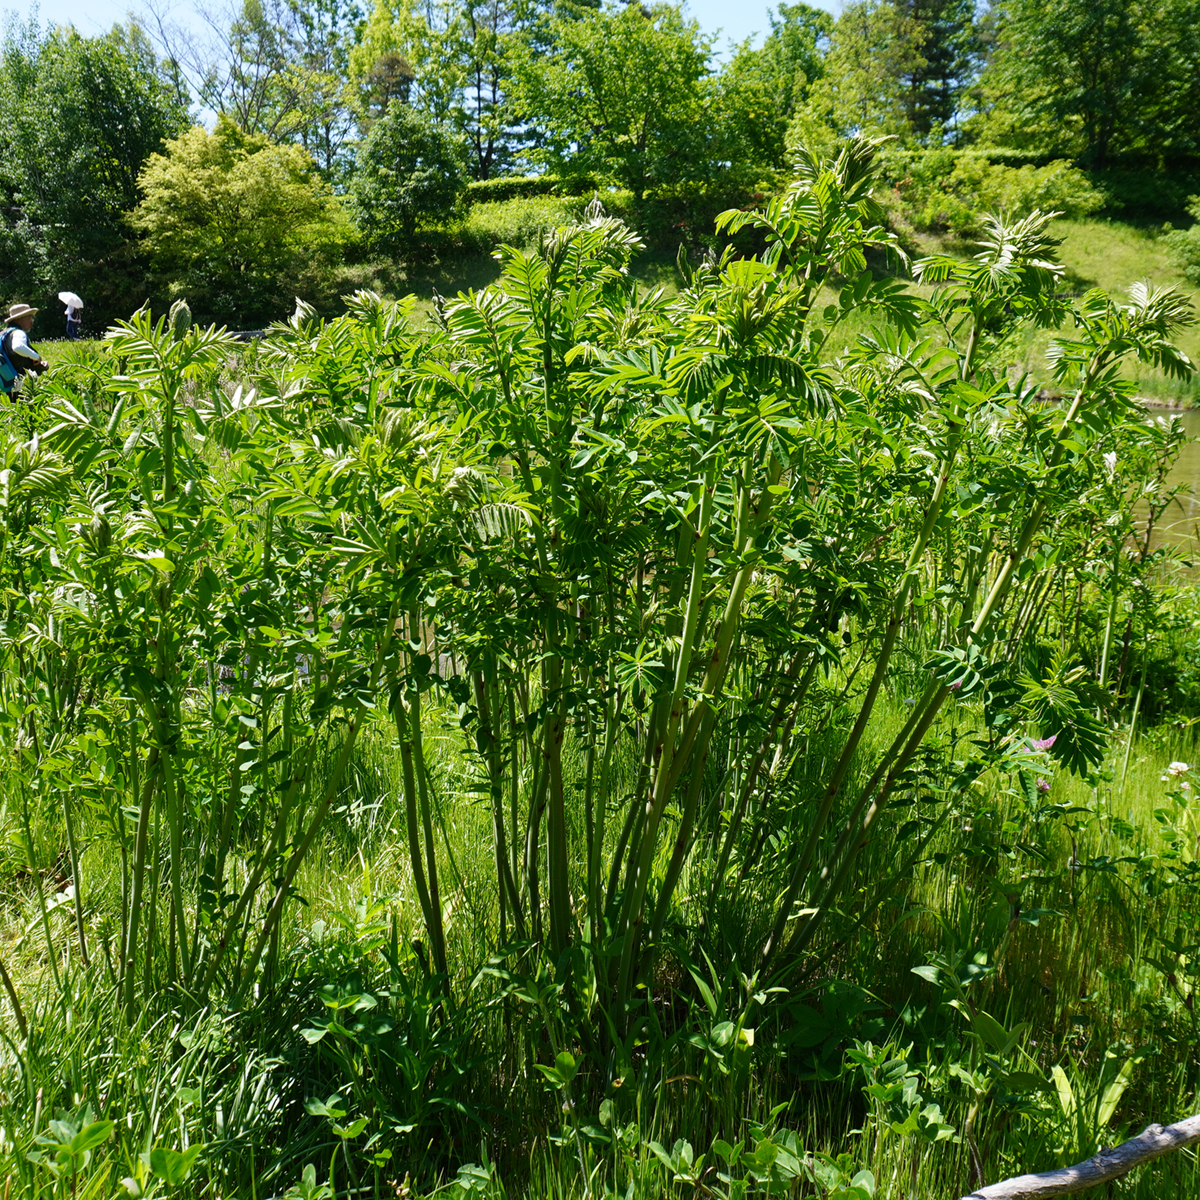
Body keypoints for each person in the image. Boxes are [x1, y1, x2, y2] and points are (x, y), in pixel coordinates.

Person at [0, 303, 49, 398]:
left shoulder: (3, 334)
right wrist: (36, 357)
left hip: (8, 382)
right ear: (19, 319)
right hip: (23, 384)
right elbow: (18, 347)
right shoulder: (18, 333)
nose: (32, 321)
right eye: (29, 318)